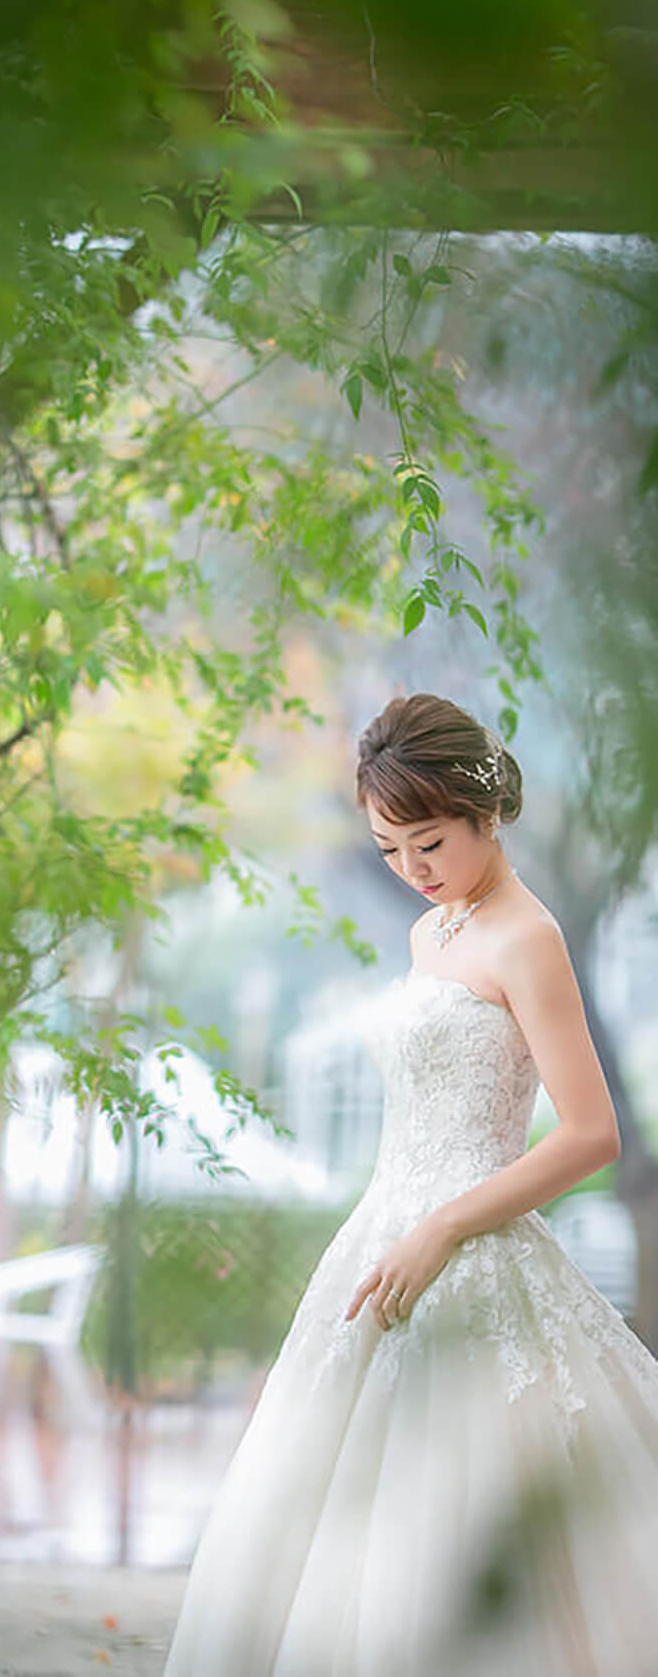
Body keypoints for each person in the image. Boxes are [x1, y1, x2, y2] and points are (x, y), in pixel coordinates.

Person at [162, 692, 658, 1677]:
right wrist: (404, 1226)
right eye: (390, 851)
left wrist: (441, 1229)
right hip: (378, 1236)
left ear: (485, 811)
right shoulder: (429, 935)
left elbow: (592, 1132)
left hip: (467, 1247)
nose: (411, 870)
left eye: (427, 842)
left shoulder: (531, 937)